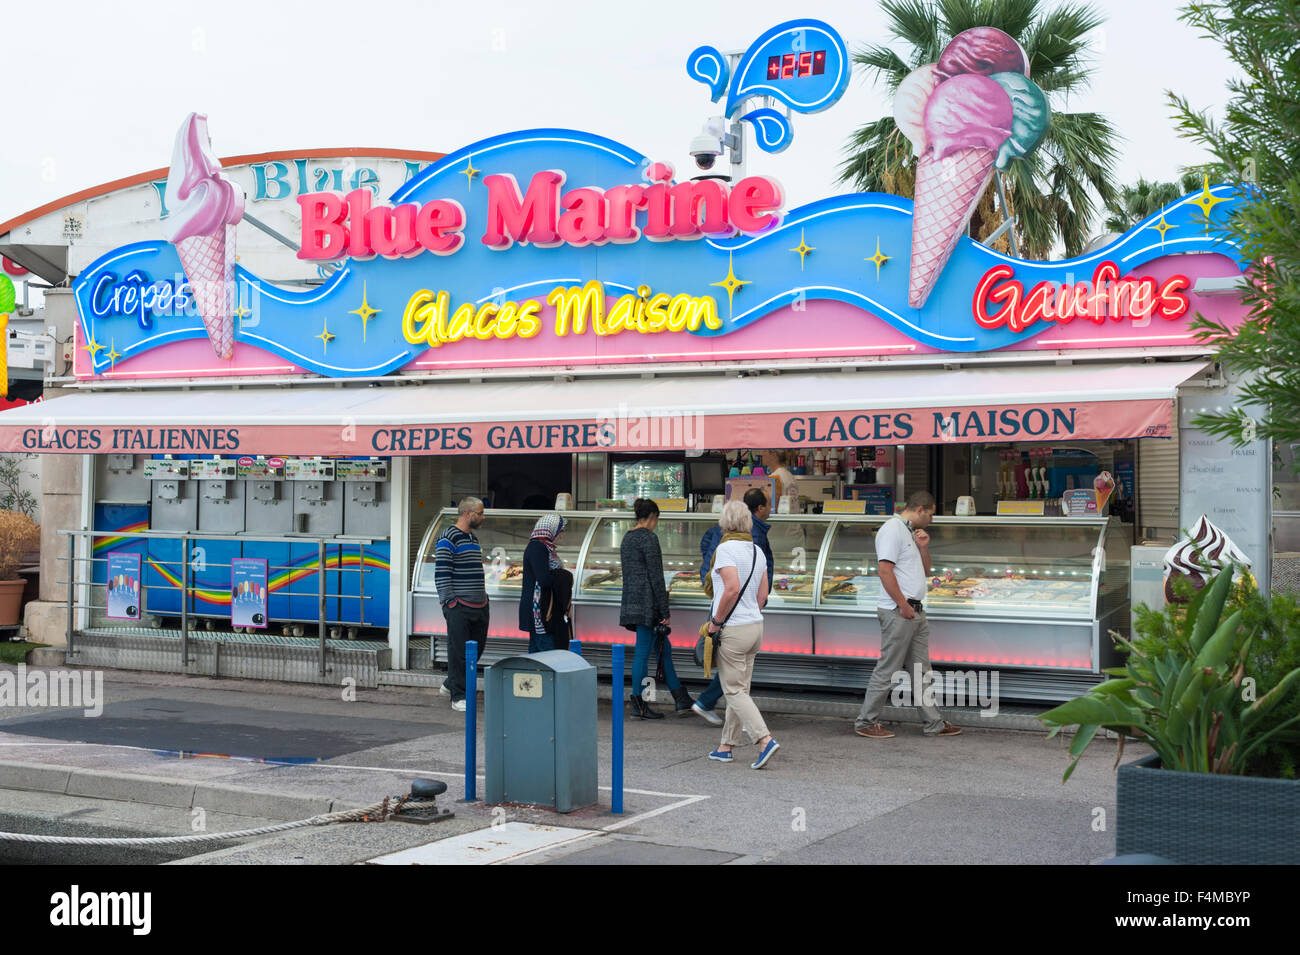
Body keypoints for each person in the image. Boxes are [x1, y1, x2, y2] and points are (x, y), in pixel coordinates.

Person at [854, 490, 962, 739]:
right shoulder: (892, 529)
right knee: (889, 668)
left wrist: (923, 547)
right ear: (921, 509)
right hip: (899, 611)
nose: (932, 520)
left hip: (914, 611)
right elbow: (885, 571)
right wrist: (903, 605)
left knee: (921, 670)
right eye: (932, 514)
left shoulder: (908, 531)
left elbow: (924, 570)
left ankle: (933, 722)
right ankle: (866, 722)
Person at [705, 499, 779, 769]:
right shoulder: (758, 551)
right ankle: (726, 746)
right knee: (741, 690)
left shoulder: (725, 550)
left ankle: (764, 739)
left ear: (724, 522)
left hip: (733, 628)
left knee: (734, 690)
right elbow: (762, 595)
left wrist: (716, 621)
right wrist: (749, 612)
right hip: (755, 626)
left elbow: (732, 588)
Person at [693, 487, 775, 725]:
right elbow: (743, 586)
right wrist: (753, 606)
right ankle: (762, 738)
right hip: (740, 616)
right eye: (768, 505)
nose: (770, 509)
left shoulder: (721, 539)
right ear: (756, 511)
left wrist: (713, 591)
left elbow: (706, 549)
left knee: (735, 677)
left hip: (726, 608)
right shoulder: (754, 542)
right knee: (737, 682)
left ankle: (726, 742)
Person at [619, 498, 694, 719]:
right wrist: (664, 611)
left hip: (632, 600)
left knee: (664, 649)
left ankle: (681, 698)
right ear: (652, 518)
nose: (655, 525)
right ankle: (638, 704)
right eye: (656, 521)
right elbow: (656, 577)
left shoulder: (627, 538)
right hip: (648, 603)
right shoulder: (649, 539)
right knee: (642, 651)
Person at [434, 497, 488, 713]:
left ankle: (450, 683)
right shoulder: (448, 538)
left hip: (479, 604)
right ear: (467, 513)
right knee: (459, 651)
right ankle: (459, 695)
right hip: (459, 606)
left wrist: (484, 599)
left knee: (477, 648)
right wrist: (450, 602)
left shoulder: (473, 539)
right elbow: (442, 573)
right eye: (480, 513)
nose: (482, 517)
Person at [519, 512, 567, 652]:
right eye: (561, 530)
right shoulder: (538, 547)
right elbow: (544, 579)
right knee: (546, 652)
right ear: (551, 529)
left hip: (542, 607)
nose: (562, 534)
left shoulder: (544, 547)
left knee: (536, 652)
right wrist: (564, 578)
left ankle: (534, 674)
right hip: (539, 610)